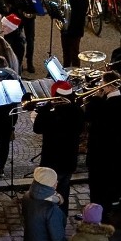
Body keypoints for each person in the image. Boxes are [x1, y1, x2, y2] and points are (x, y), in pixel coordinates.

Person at [84, 71, 121, 214]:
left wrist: (95, 99)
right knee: (113, 177)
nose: (100, 86)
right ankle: (111, 199)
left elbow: (89, 117)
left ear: (109, 87)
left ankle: (96, 211)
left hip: (101, 151)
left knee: (98, 184)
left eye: (102, 84)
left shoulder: (103, 105)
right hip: (119, 149)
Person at [33, 80, 84, 216]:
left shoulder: (51, 114)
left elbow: (37, 128)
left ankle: (48, 221)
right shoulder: (78, 112)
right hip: (69, 160)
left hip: (51, 162)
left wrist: (44, 109)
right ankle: (60, 222)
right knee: (63, 194)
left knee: (47, 194)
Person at [6, 0, 37, 73]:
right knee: (16, 38)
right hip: (17, 15)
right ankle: (17, 61)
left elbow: (39, 0)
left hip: (29, 16)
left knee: (30, 39)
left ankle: (30, 62)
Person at [60, 0, 89, 68]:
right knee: (65, 52)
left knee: (74, 53)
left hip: (75, 29)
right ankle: (65, 71)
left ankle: (76, 73)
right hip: (65, 28)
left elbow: (80, 12)